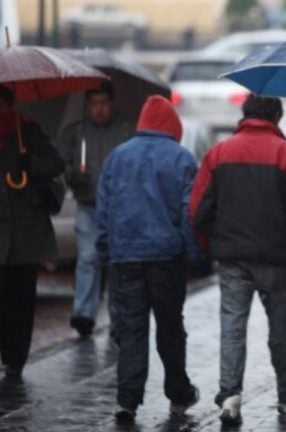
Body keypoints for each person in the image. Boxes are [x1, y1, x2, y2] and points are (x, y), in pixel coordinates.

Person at [189, 95, 286, 425]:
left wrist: (210, 244)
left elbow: (198, 210)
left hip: (232, 257)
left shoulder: (218, 154)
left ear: (245, 115)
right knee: (279, 327)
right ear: (275, 117)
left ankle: (230, 394)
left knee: (232, 326)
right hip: (274, 258)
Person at [96, 95, 200, 423]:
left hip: (125, 257)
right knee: (170, 328)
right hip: (167, 257)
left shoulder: (117, 157)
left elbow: (104, 208)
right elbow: (189, 211)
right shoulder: (182, 159)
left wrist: (104, 247)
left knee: (131, 330)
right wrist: (192, 250)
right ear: (172, 127)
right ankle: (179, 393)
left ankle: (127, 400)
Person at [56, 80, 133, 337]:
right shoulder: (76, 133)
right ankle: (84, 313)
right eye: (94, 103)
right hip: (88, 206)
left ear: (111, 104)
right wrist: (73, 175)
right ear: (87, 105)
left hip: (119, 210)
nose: (99, 109)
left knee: (115, 263)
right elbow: (59, 166)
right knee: (88, 258)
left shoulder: (125, 131)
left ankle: (117, 316)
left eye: (104, 103)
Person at [0, 86, 65, 378]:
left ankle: (16, 357)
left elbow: (56, 164)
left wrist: (32, 165)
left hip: (26, 230)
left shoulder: (28, 131)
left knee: (22, 297)